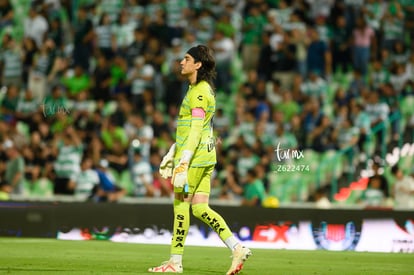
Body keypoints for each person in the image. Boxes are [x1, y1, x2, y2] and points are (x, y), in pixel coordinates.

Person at [148, 45, 251, 274]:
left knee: (180, 205)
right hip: (204, 155)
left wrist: (183, 160)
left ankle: (175, 262)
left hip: (195, 158)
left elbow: (195, 130)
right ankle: (236, 247)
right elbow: (192, 130)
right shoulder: (197, 89)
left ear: (198, 64)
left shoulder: (200, 92)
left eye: (186, 59)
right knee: (200, 208)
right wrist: (172, 151)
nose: (181, 62)